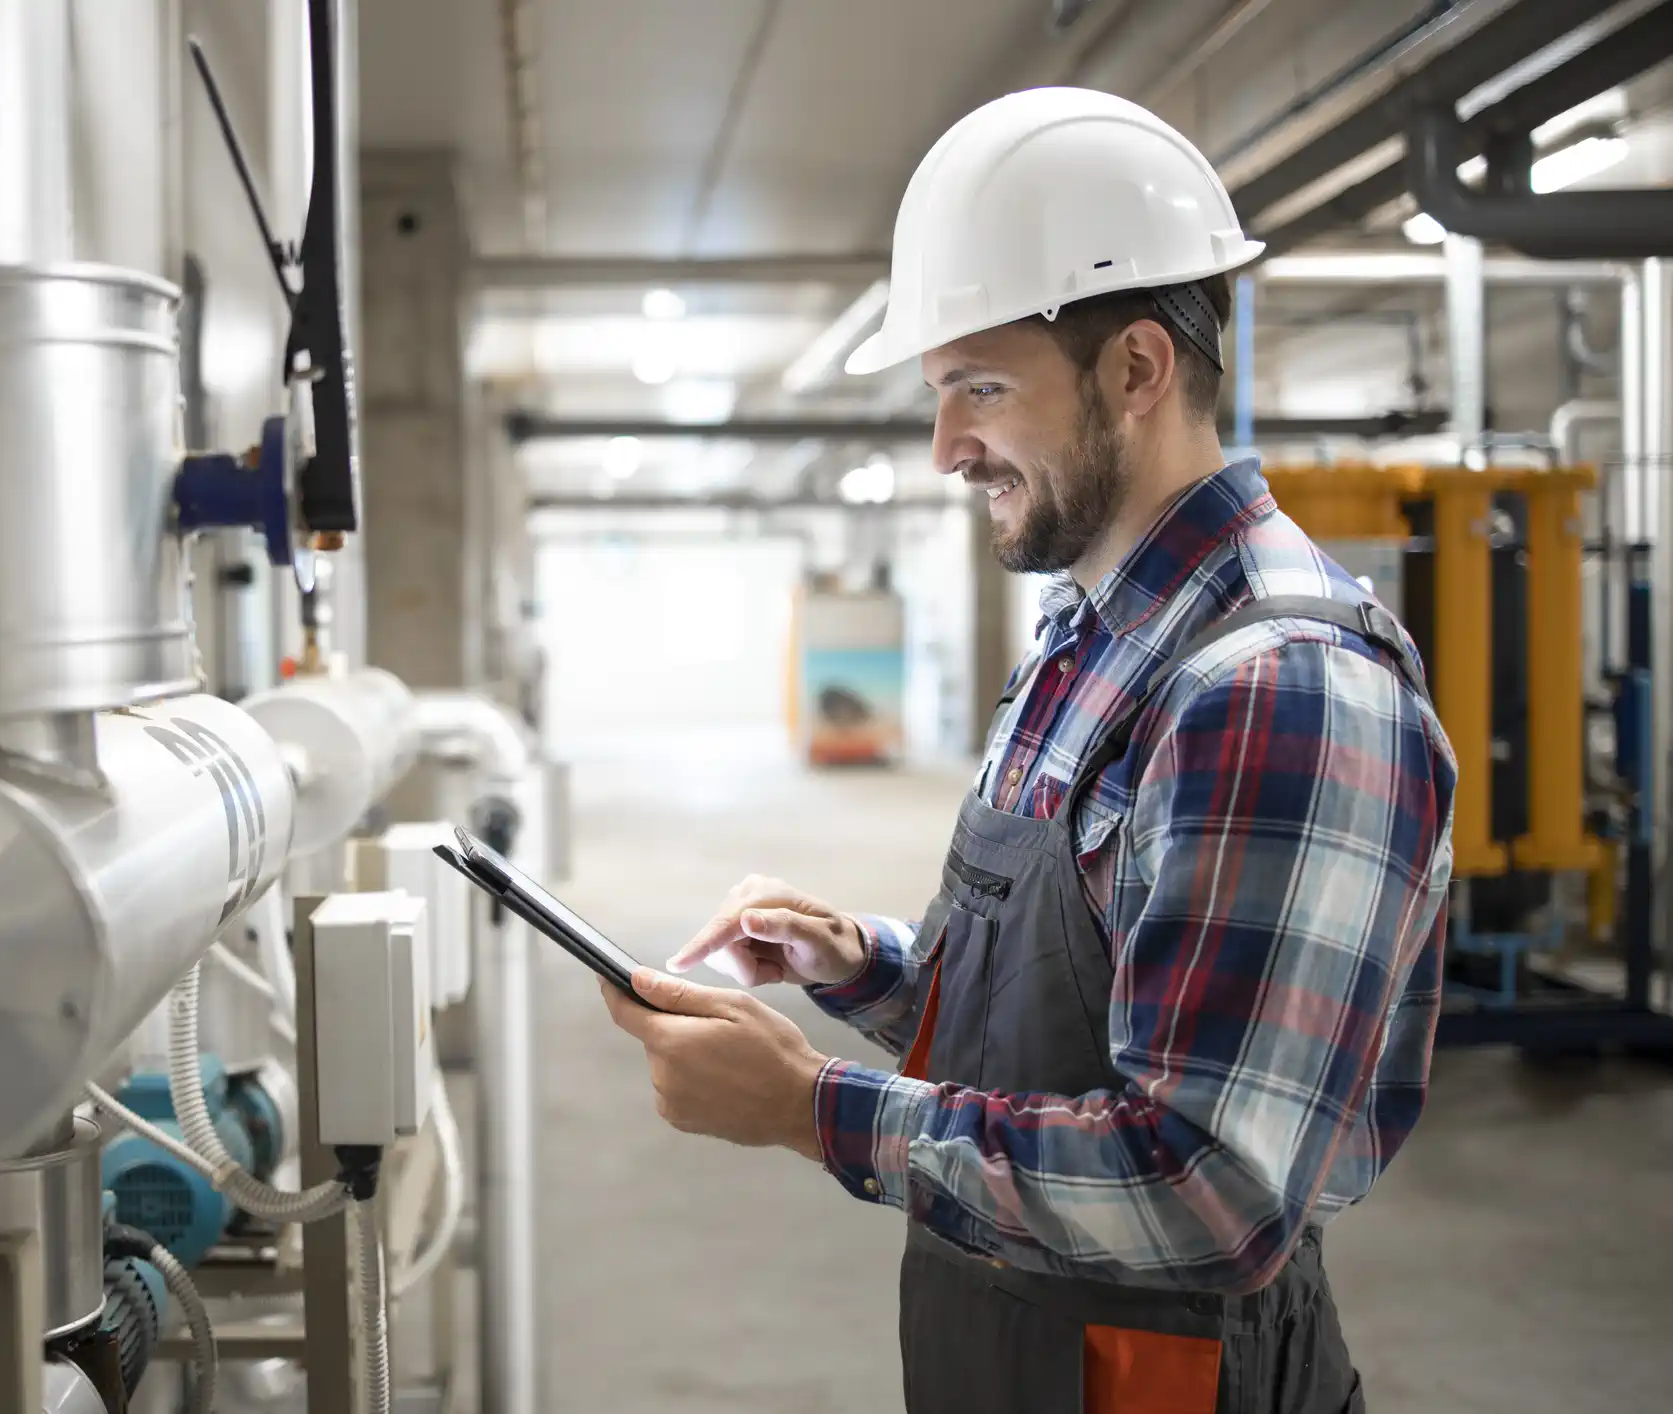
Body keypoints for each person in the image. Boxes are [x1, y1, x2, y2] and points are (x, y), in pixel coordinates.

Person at [599, 87, 1455, 1414]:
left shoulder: (1277, 688)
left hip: (1166, 1374)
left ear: (1136, 370)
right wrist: (861, 961)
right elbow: (1066, 1022)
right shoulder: (1082, 639)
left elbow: (1209, 1191)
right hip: (1013, 1348)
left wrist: (808, 1105)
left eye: (980, 389)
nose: (946, 448)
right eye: (941, 396)